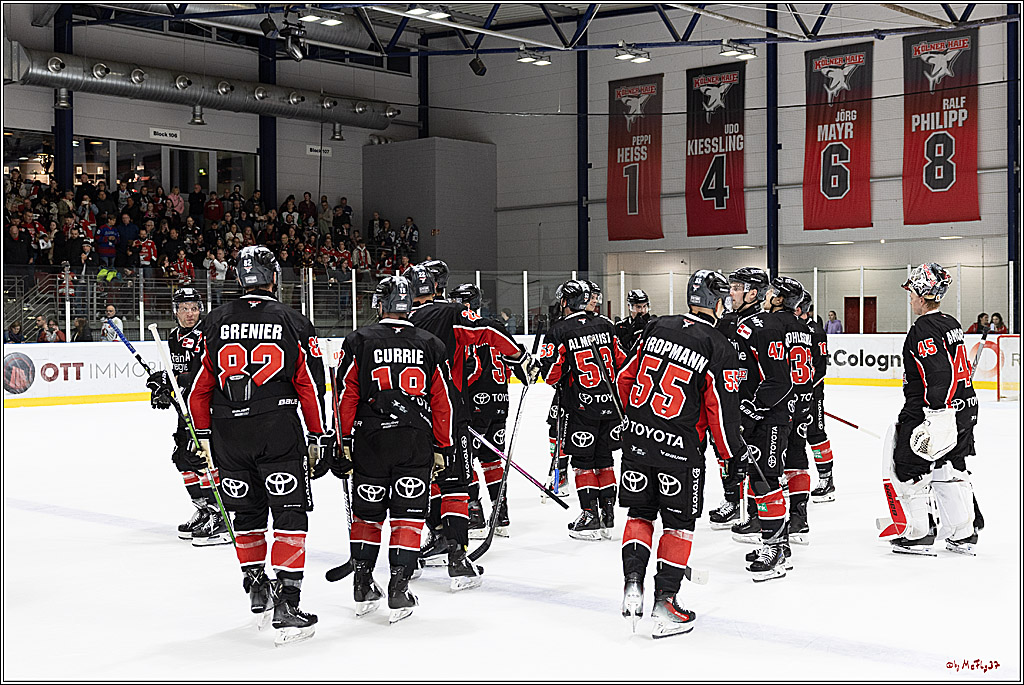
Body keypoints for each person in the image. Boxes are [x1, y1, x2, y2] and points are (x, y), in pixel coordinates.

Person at [186, 245, 328, 646]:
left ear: (239, 277)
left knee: (246, 513)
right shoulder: (293, 321)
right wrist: (319, 435)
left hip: (229, 435)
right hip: (277, 430)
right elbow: (310, 385)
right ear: (273, 278)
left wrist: (203, 436)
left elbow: (198, 390)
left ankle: (256, 585)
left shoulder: (214, 321)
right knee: (289, 513)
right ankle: (288, 602)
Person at [615, 270, 748, 638]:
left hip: (638, 442)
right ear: (716, 302)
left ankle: (632, 581)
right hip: (680, 452)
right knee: (678, 525)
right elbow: (720, 410)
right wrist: (732, 455)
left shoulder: (657, 327)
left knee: (640, 513)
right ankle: (665, 603)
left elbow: (624, 378)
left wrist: (635, 420)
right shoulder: (718, 345)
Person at [334, 275, 455, 623]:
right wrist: (443, 445)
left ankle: (362, 583)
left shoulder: (358, 340)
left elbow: (346, 396)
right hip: (414, 441)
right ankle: (399, 587)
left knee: (368, 514)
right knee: (408, 514)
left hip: (371, 441)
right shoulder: (430, 343)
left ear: (380, 304)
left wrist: (341, 441)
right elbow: (442, 401)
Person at [408, 261, 537, 586]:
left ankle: (424, 544)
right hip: (448, 414)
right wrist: (519, 357)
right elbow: (490, 331)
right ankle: (456, 556)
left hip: (408, 417)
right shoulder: (450, 314)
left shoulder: (393, 323)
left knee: (423, 481)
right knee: (455, 483)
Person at [883, 263, 981, 556]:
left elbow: (939, 375)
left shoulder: (923, 329)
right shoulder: (950, 322)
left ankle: (919, 532)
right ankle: (963, 532)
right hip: (964, 406)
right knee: (949, 466)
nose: (910, 298)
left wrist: (937, 414)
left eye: (912, 292)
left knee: (908, 466)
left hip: (932, 410)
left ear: (923, 295)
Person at [539, 279, 628, 541]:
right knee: (605, 460)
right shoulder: (606, 324)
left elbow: (551, 375)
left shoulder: (559, 330)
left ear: (566, 301)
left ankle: (590, 515)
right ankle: (608, 514)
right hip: (610, 406)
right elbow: (622, 362)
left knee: (582, 463)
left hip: (580, 408)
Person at [724, 269, 798, 581]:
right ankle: (778, 542)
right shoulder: (742, 323)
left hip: (770, 418)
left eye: (737, 287)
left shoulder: (763, 327)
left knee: (766, 479)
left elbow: (780, 380)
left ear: (753, 293)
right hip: (755, 417)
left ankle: (775, 549)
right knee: (758, 478)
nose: (731, 292)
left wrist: (753, 410)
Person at [144, 288, 229, 545]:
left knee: (202, 458)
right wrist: (163, 388)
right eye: (184, 308)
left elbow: (207, 373)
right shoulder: (174, 337)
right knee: (182, 458)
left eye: (194, 308)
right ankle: (204, 509)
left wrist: (172, 379)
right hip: (185, 406)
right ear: (175, 311)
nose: (190, 313)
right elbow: (178, 372)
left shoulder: (208, 334)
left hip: (206, 406)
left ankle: (220, 515)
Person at [450, 283, 514, 539]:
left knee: (465, 459)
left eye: (457, 301)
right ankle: (501, 514)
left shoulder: (470, 330)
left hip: (475, 406)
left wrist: (454, 390)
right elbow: (510, 364)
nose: (452, 305)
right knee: (492, 459)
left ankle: (474, 514)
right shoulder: (495, 327)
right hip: (500, 403)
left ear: (466, 303)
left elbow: (473, 368)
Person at [781, 288, 816, 545]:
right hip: (804, 399)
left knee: (770, 459)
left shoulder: (774, 325)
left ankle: (761, 517)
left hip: (782, 402)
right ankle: (799, 517)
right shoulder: (805, 329)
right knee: (798, 455)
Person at [805, 301, 837, 503]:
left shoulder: (816, 331)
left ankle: (826, 479)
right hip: (792, 395)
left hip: (812, 394)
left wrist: (807, 392)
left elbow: (820, 369)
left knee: (816, 434)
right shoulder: (792, 327)